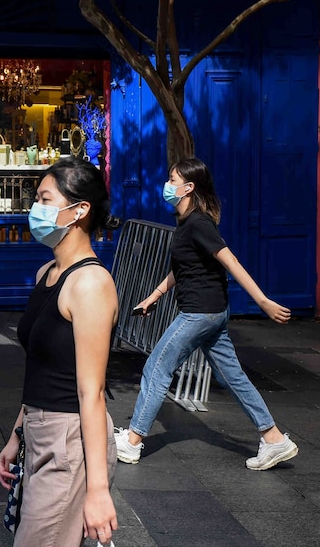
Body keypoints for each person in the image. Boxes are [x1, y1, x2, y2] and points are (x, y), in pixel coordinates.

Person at [115, 156, 298, 471]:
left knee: (157, 369)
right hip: (212, 313)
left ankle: (132, 442)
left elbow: (231, 261)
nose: (167, 185)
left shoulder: (199, 222)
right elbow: (183, 266)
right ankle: (274, 438)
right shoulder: (188, 223)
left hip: (199, 313)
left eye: (172, 180)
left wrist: (262, 301)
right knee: (234, 378)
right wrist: (155, 296)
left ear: (188, 187)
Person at [0, 158, 120, 546]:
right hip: (39, 432)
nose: (36, 210)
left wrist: (98, 491)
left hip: (71, 442)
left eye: (45, 199)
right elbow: (41, 366)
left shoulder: (91, 284)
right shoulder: (46, 274)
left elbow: (92, 391)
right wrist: (18, 434)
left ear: (79, 210)